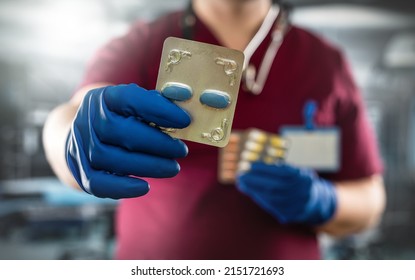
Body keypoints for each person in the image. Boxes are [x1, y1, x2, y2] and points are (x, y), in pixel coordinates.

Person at [42, 0, 386, 259]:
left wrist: (320, 201)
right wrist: (71, 138)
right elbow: (71, 114)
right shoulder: (143, 45)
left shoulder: (325, 63)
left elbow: (370, 200)